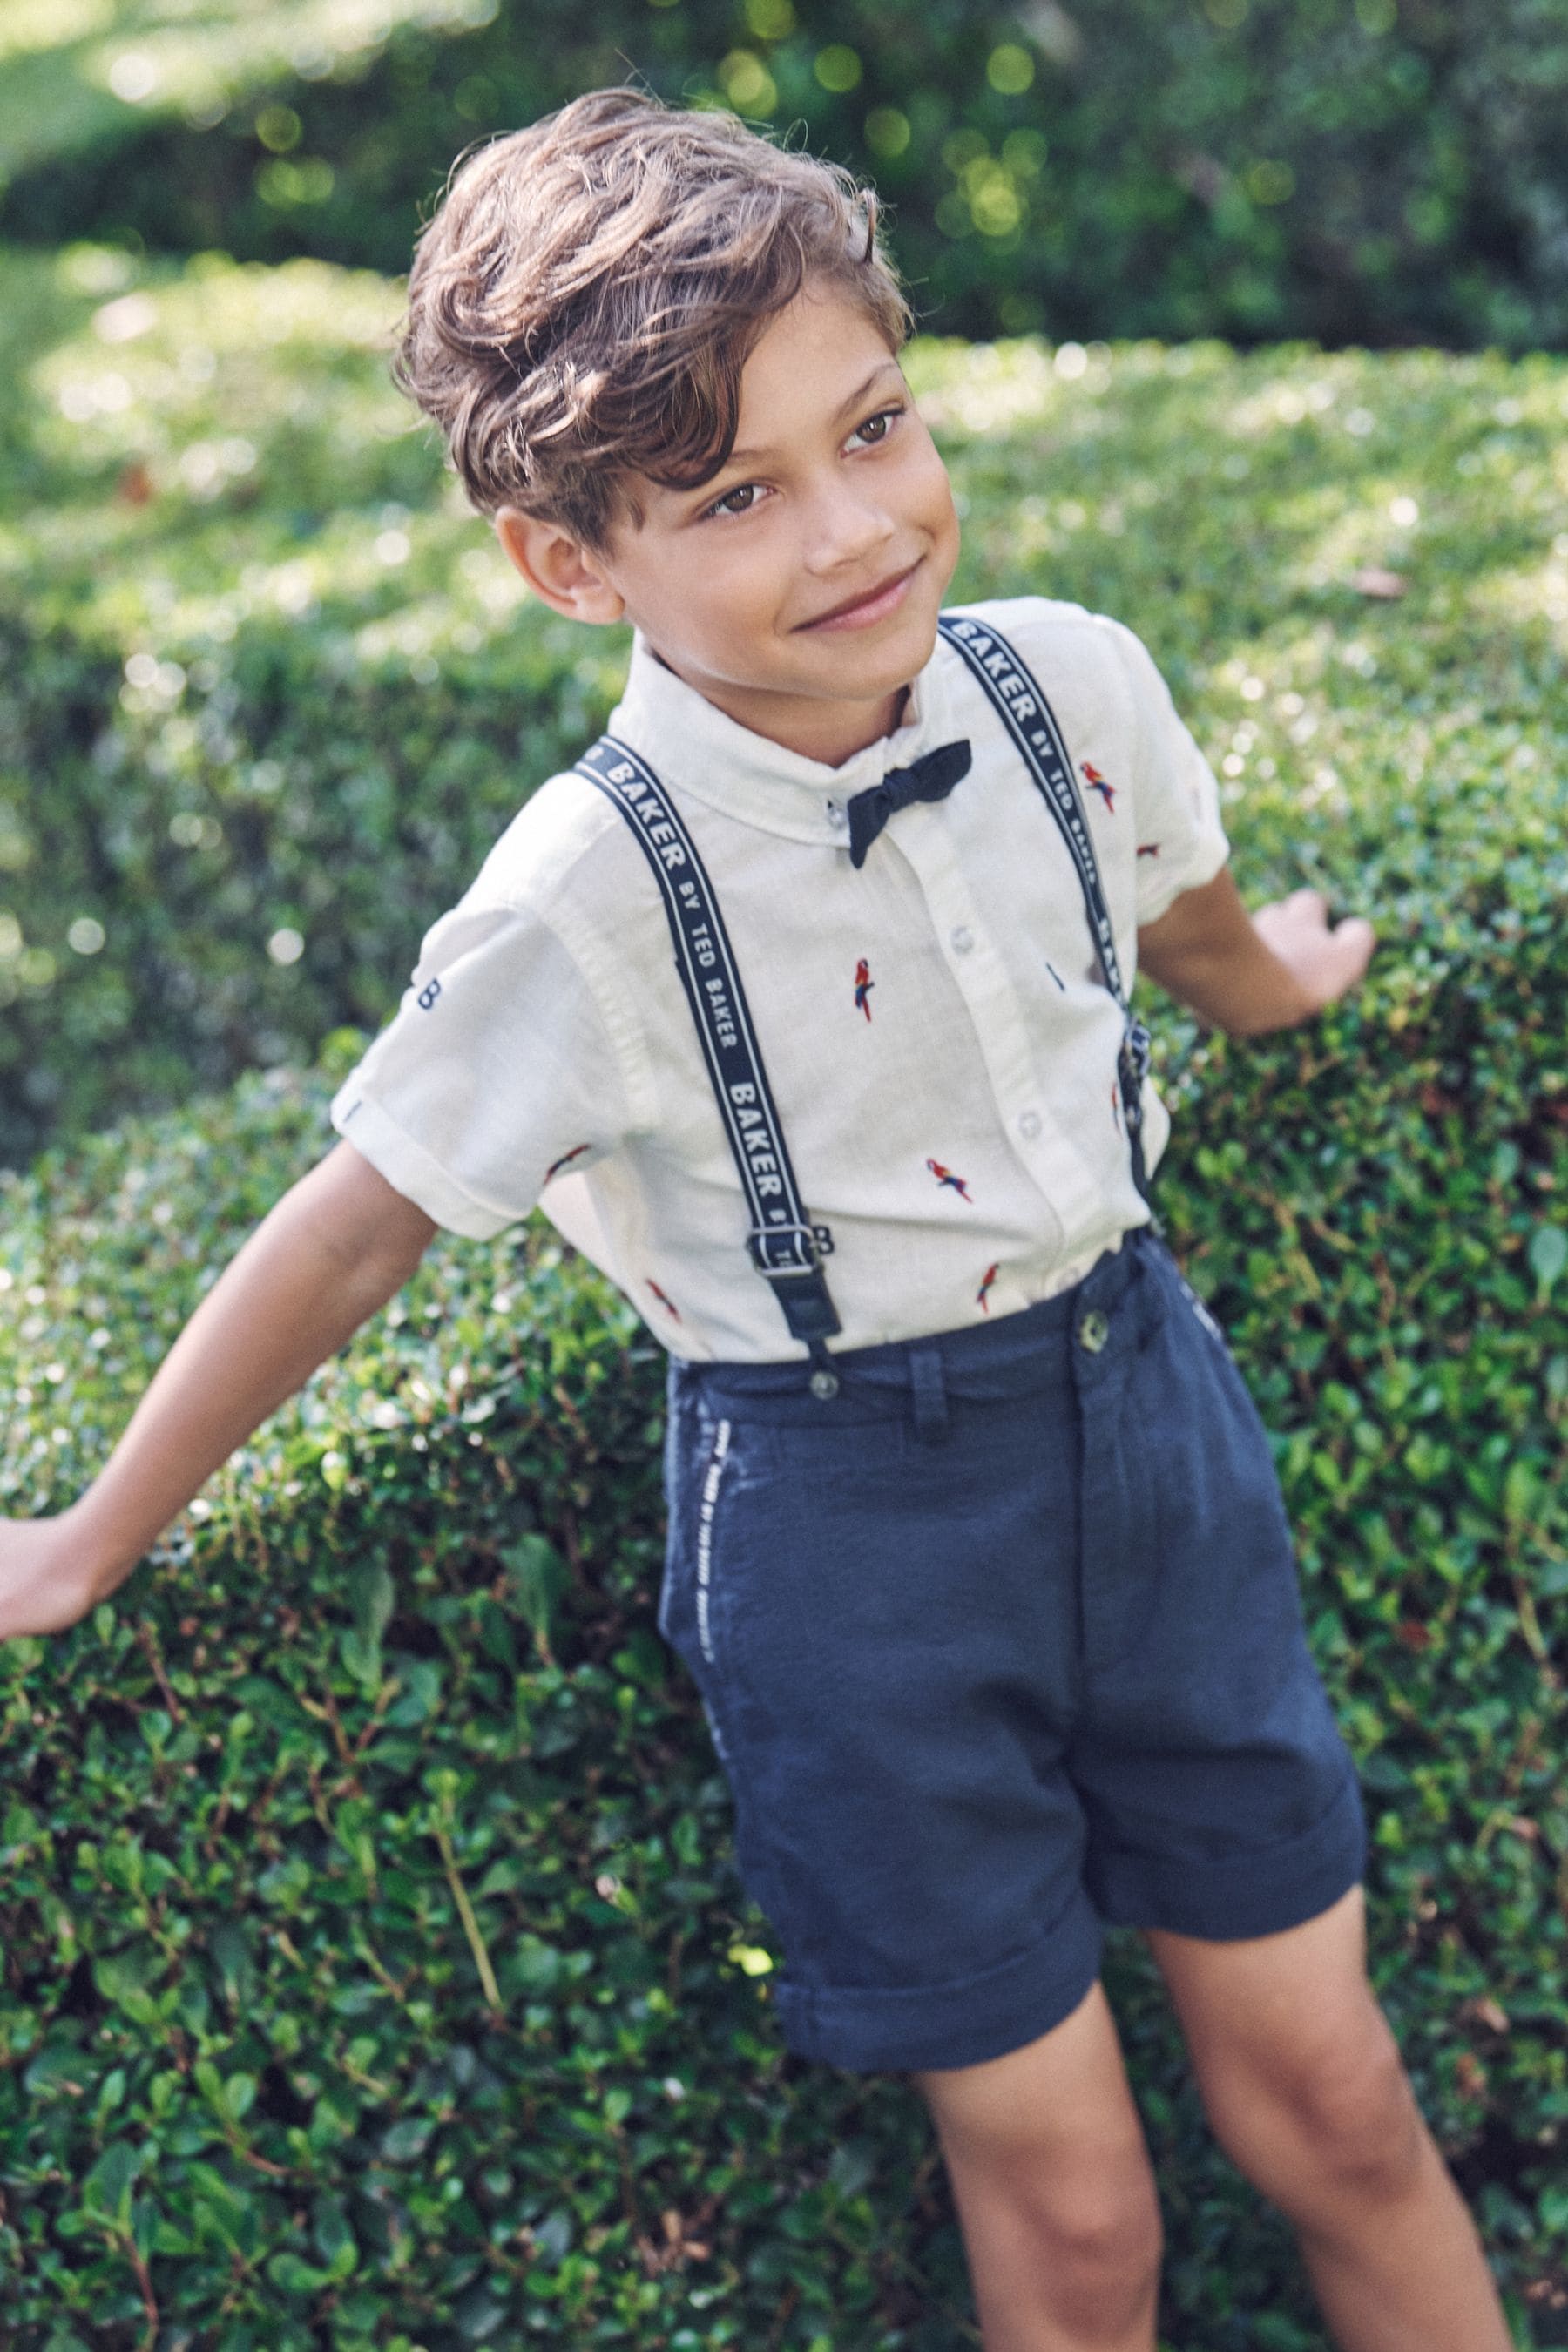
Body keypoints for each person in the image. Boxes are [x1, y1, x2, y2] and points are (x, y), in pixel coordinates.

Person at [0, 89, 1511, 2352]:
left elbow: (1183, 917)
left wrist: (1288, 982)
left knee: (1341, 2103)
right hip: (851, 1541)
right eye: (737, 494)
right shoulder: (583, 897)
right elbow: (353, 1226)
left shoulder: (1067, 684)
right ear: (571, 559)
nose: (856, 525)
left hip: (1149, 1434)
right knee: (1080, 2221)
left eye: (875, 425)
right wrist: (89, 1535)